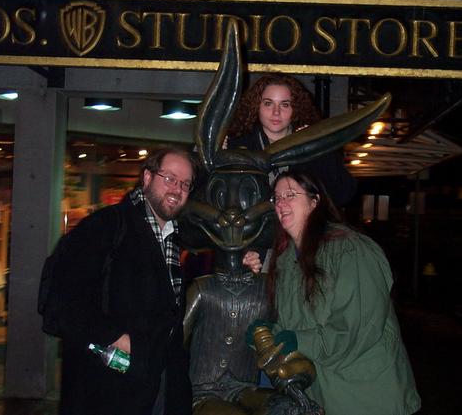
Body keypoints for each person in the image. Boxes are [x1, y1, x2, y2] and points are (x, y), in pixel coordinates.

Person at [260, 172, 421, 415]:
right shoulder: (286, 261)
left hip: (365, 393)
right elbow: (294, 326)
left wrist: (298, 341)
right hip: (323, 394)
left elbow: (356, 328)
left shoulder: (350, 249)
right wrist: (267, 335)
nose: (281, 203)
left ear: (315, 201)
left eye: (290, 195)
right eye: (277, 198)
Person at [53, 148, 196, 415]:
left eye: (185, 184)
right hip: (108, 387)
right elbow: (62, 295)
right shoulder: (105, 226)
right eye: (169, 178)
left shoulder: (174, 237)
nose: (177, 189)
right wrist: (115, 337)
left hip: (157, 382)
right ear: (147, 177)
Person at [226, 73, 356, 207]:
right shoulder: (236, 146)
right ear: (256, 106)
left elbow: (343, 193)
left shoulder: (309, 144)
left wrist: (320, 146)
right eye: (268, 103)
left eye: (285, 104)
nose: (276, 112)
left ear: (296, 108)